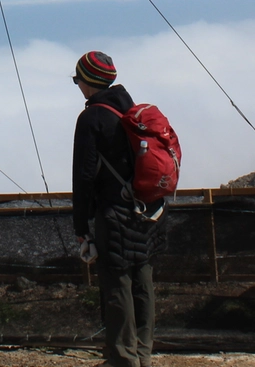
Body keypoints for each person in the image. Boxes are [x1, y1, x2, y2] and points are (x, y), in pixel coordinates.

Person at [71, 50, 161, 367]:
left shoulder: (92, 118)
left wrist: (81, 227)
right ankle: (143, 354)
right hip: (146, 209)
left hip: (113, 212)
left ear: (89, 82)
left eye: (77, 79)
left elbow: (83, 176)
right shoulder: (132, 111)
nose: (78, 85)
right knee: (142, 278)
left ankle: (123, 360)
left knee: (117, 283)